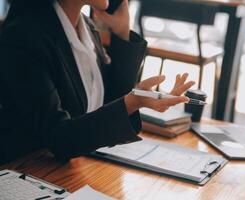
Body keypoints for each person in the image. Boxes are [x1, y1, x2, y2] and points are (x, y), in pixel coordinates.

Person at [0, 0, 195, 164]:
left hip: (74, 166)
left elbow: (108, 103)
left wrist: (121, 32)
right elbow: (57, 138)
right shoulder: (24, 37)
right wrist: (133, 102)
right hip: (29, 171)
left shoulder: (86, 27)